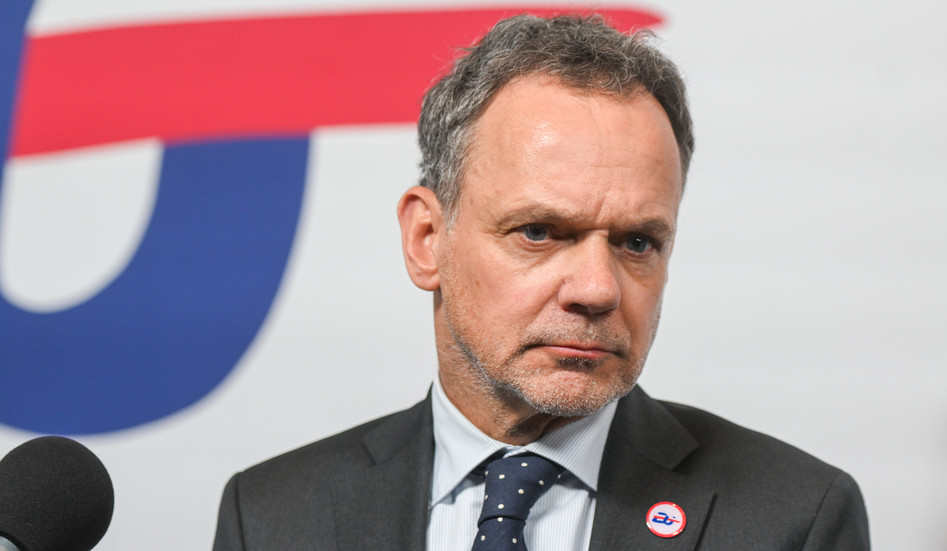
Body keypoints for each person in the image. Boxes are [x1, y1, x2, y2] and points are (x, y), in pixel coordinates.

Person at [212, 14, 869, 551]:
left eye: (637, 242)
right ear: (427, 239)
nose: (597, 289)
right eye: (539, 232)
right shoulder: (271, 516)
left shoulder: (796, 517)